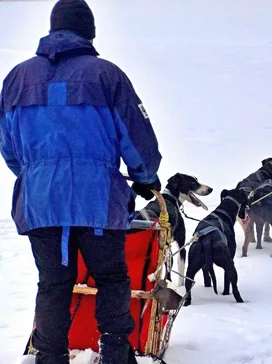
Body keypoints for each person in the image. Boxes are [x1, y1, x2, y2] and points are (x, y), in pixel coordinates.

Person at [0, 1, 162, 363]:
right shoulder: (107, 75)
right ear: (89, 32)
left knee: (53, 283)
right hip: (96, 200)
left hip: (40, 201)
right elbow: (135, 136)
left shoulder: (16, 78)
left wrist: (39, 176)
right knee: (111, 276)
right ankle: (115, 352)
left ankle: (49, 356)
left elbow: (9, 146)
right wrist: (146, 178)